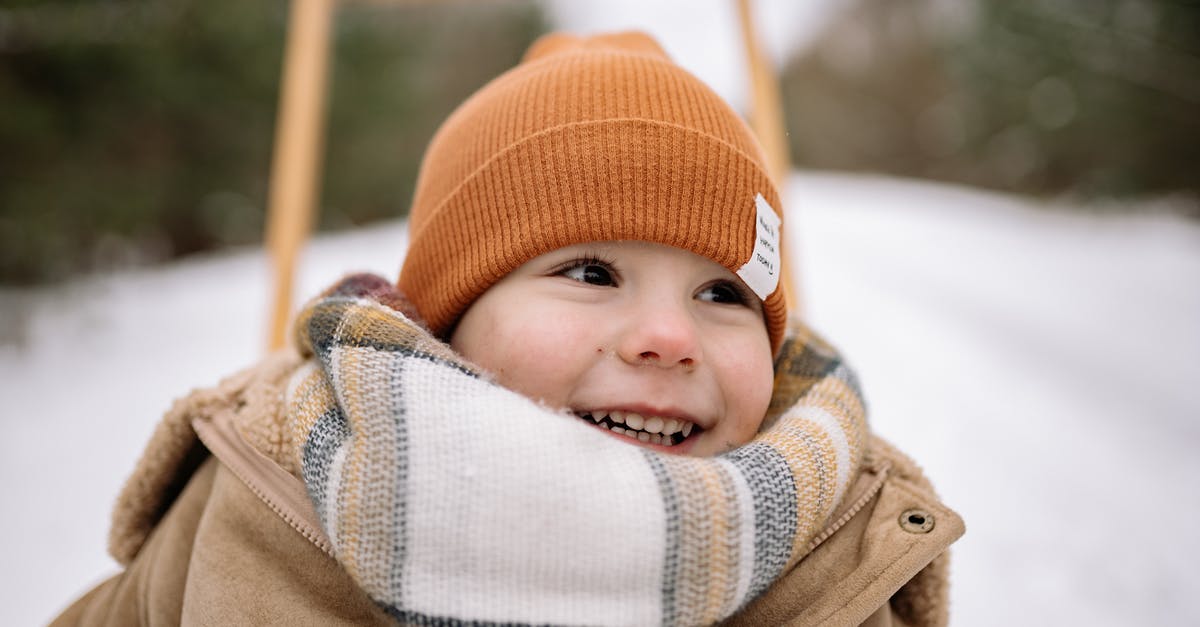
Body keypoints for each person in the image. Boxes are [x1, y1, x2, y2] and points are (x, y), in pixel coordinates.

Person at [52, 31, 962, 626]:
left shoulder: (829, 544)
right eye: (590, 273)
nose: (668, 336)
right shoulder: (275, 498)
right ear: (447, 325)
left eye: (723, 294)